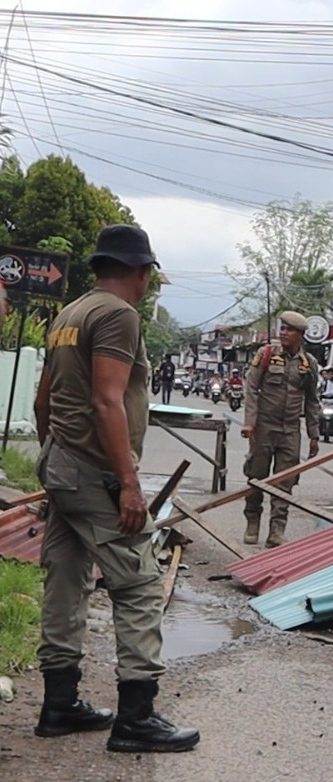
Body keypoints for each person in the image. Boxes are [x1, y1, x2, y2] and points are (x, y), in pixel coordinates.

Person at [33, 223, 199, 753]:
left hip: (62, 464)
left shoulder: (70, 314)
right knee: (140, 582)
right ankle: (136, 717)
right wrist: (128, 484)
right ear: (142, 272)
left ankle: (59, 705)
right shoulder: (118, 315)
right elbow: (107, 401)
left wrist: (53, 463)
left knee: (66, 578)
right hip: (92, 469)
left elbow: (44, 401)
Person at [242, 310, 320, 548]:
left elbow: (312, 400)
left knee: (285, 481)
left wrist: (314, 435)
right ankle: (252, 522)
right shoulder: (265, 354)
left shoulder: (309, 364)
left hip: (290, 429)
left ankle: (276, 531)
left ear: (300, 335)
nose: (283, 333)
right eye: (282, 328)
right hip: (264, 427)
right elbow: (251, 388)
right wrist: (250, 422)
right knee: (257, 476)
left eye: (289, 330)